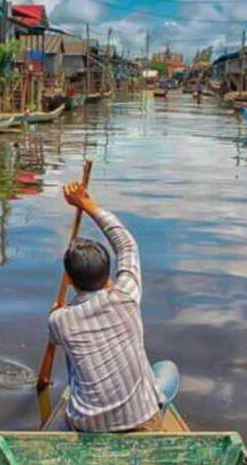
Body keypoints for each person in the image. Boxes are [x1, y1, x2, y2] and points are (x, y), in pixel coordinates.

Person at [48, 181, 179, 432]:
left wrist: (58, 310)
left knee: (73, 359)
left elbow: (55, 335)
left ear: (71, 281)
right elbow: (126, 244)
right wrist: (86, 203)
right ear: (108, 275)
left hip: (86, 424)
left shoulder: (59, 320)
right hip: (141, 419)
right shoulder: (126, 295)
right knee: (167, 370)